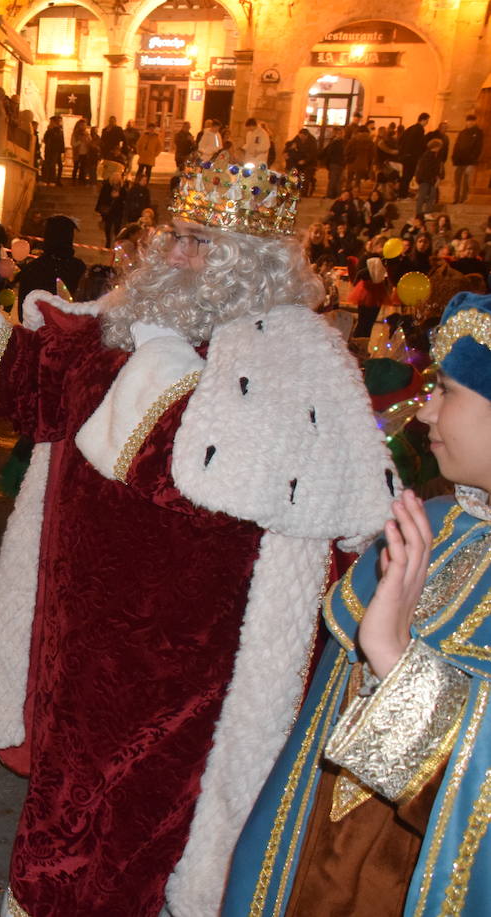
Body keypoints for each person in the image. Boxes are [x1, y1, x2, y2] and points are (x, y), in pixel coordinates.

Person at [0, 157, 397, 916]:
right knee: (62, 820)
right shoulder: (133, 328)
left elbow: (205, 477)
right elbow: (41, 379)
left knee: (127, 849)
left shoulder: (297, 361)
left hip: (181, 680)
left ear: (255, 265)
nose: (174, 256)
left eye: (199, 243)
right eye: (176, 235)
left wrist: (160, 364)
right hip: (78, 651)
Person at [225, 292, 491, 917]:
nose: (426, 411)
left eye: (448, 391)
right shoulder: (440, 521)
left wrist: (398, 663)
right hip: (313, 864)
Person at [15, 214, 85, 319]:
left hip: (39, 332)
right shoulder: (78, 268)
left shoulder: (32, 268)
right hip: (65, 332)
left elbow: (22, 314)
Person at [453, 113, 484, 205]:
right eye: (468, 121)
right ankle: (456, 199)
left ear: (474, 122)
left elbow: (478, 148)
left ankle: (463, 199)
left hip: (469, 162)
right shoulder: (463, 132)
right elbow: (457, 146)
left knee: (466, 182)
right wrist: (455, 159)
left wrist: (472, 162)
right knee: (457, 181)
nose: (469, 123)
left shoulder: (478, 133)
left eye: (471, 121)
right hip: (459, 161)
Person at [399, 112, 431, 198]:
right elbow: (420, 144)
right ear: (423, 120)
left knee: (405, 176)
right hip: (412, 157)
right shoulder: (420, 129)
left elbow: (401, 140)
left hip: (405, 156)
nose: (427, 123)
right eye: (427, 121)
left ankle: (401, 194)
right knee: (408, 176)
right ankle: (403, 194)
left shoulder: (410, 128)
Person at [414, 137, 446, 217]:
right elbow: (430, 169)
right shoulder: (430, 156)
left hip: (428, 179)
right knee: (426, 196)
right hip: (428, 180)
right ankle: (422, 213)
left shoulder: (430, 156)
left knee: (428, 196)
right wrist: (436, 178)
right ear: (436, 147)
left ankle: (423, 212)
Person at [95, 174, 127, 248]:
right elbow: (102, 198)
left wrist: (118, 197)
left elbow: (125, 199)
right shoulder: (106, 187)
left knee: (117, 228)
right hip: (108, 212)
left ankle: (117, 241)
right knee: (108, 227)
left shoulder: (122, 189)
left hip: (118, 211)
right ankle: (108, 241)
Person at [41, 115, 65, 185]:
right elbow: (45, 139)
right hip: (49, 149)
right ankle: (47, 180)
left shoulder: (58, 130)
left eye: (51, 121)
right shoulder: (50, 130)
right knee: (48, 164)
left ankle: (51, 180)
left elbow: (58, 140)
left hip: (54, 150)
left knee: (52, 164)